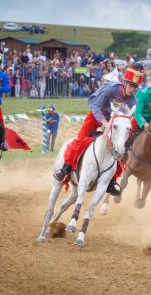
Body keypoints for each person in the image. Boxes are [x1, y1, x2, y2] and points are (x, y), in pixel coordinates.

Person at [54, 63, 143, 196]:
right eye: (130, 85)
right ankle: (65, 168)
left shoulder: (133, 101)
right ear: (124, 82)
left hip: (113, 125)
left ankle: (111, 182)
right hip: (96, 118)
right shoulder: (111, 89)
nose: (132, 89)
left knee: (118, 149)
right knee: (81, 140)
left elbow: (128, 118)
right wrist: (104, 122)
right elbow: (95, 106)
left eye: (135, 87)